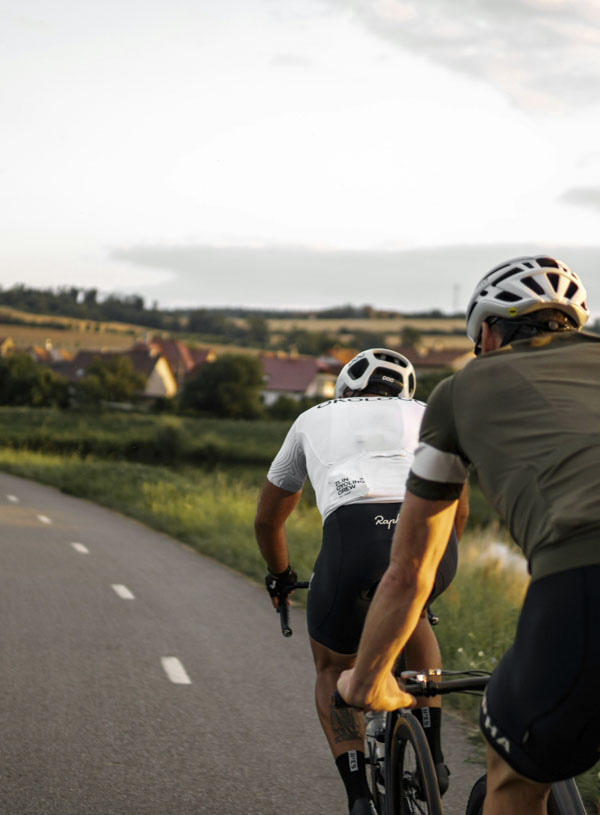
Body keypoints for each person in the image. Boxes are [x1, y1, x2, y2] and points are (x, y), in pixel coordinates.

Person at [337, 256, 600, 815]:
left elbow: (411, 569)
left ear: (487, 330)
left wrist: (365, 681)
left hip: (584, 576)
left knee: (514, 765)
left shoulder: (462, 389)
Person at [254, 348, 468, 815]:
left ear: (345, 389)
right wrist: (431, 575)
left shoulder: (313, 417)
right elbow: (459, 508)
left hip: (354, 540)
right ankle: (433, 756)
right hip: (433, 537)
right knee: (411, 612)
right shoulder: (430, 412)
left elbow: (269, 520)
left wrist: (282, 576)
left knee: (333, 668)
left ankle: (357, 798)